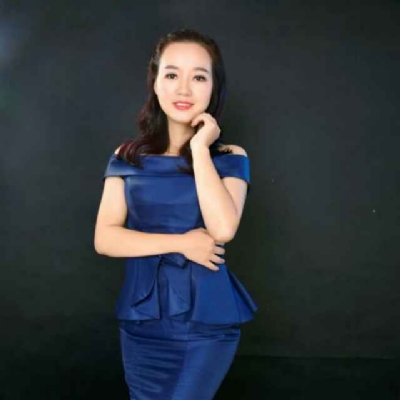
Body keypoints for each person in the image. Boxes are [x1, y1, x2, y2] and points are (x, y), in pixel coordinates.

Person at [94, 28, 258, 400]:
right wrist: (182, 243)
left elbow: (223, 228)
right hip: (141, 322)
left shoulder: (230, 156)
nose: (183, 89)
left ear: (213, 87)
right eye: (172, 75)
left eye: (198, 77)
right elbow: (105, 238)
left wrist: (199, 149)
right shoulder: (127, 157)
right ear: (156, 83)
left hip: (204, 324)